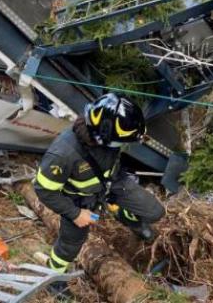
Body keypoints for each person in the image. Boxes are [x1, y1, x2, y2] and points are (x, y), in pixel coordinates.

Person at [34, 93, 165, 298]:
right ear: (100, 136)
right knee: (69, 246)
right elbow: (43, 190)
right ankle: (53, 279)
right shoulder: (62, 154)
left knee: (154, 211)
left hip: (112, 183)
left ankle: (127, 217)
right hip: (79, 201)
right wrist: (76, 214)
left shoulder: (109, 133)